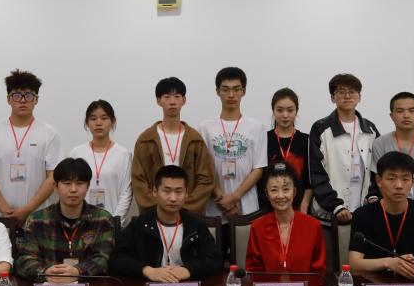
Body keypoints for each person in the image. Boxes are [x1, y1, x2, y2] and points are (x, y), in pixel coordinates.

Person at [349, 152, 414, 278]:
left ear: (412, 182)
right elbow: (354, 264)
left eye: (405, 179)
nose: (399, 186)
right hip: (376, 285)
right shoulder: (363, 215)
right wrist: (389, 263)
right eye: (391, 178)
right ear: (379, 180)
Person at [111, 165, 222, 282]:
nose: (173, 198)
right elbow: (116, 259)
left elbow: (215, 260)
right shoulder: (139, 225)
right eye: (167, 191)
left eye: (179, 191)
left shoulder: (195, 225)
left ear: (186, 193)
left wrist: (188, 270)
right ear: (155, 192)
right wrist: (147, 271)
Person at [14, 158, 114, 280]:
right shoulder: (37, 220)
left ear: (88, 186)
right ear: (56, 186)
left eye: (79, 183)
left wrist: (77, 272)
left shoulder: (102, 219)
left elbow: (103, 259)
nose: (73, 189)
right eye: (67, 183)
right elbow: (24, 259)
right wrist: (46, 272)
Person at [0, 70, 60, 221]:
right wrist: (4, 209)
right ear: (8, 99)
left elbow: (52, 177)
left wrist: (27, 210)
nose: (22, 100)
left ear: (36, 100)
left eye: (28, 95)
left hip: (37, 216)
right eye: (16, 95)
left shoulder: (49, 133)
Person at [132, 77, 215, 213]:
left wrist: (185, 207)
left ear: (184, 100)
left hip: (189, 215)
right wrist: (160, 208)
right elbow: (138, 180)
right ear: (159, 101)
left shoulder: (195, 139)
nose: (172, 102)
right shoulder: (145, 140)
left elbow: (206, 180)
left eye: (177, 96)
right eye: (167, 97)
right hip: (154, 215)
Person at [308, 73, 381, 225]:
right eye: (341, 91)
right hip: (329, 214)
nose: (347, 96)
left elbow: (378, 168)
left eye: (352, 91)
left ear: (359, 97)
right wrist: (335, 206)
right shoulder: (321, 129)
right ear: (332, 97)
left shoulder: (370, 129)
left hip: (364, 211)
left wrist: (374, 195)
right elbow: (316, 172)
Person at [198, 67, 267, 223]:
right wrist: (222, 199)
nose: (231, 95)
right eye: (225, 89)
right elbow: (203, 169)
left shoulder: (256, 127)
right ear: (217, 91)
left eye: (236, 89)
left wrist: (234, 197)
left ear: (244, 91)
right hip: (215, 207)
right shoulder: (205, 128)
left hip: (248, 208)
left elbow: (258, 169)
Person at [246, 164, 326, 274]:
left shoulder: (313, 226)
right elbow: (253, 271)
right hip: (269, 285)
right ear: (266, 194)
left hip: (305, 285)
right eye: (274, 190)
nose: (280, 196)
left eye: (286, 189)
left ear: (294, 192)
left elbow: (319, 271)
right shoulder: (257, 227)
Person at [370, 92, 414, 205]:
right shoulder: (380, 143)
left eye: (411, 111)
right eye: (400, 111)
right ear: (391, 116)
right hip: (391, 208)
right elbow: (380, 180)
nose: (406, 115)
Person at [68, 100, 133, 221]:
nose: (98, 123)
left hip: (112, 222)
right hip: (80, 222)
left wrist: (115, 221)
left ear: (113, 121)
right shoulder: (76, 153)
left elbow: (126, 192)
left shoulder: (123, 154)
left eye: (104, 118)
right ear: (87, 123)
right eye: (93, 119)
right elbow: (70, 188)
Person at [257, 87, 312, 212]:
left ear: (296, 111)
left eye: (290, 110)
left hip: (299, 208)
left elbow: (310, 178)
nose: (285, 115)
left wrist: (305, 204)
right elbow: (259, 176)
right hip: (269, 207)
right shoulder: (263, 139)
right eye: (280, 110)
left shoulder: (306, 140)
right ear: (273, 111)